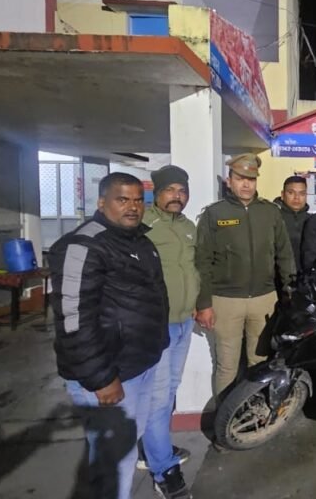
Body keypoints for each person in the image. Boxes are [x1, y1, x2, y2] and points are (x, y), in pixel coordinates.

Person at [48, 173, 168, 499]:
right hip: (110, 374)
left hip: (139, 365)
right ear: (101, 202)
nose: (133, 207)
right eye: (122, 199)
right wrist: (101, 378)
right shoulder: (82, 246)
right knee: (113, 462)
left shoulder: (137, 240)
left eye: (137, 200)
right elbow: (73, 320)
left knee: (124, 449)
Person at [194, 153, 296, 398]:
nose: (246, 184)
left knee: (260, 364)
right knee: (227, 366)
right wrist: (204, 303)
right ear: (229, 181)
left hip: (264, 299)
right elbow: (202, 261)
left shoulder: (270, 212)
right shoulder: (215, 214)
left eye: (251, 179)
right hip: (225, 301)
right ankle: (224, 417)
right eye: (240, 178)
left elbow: (284, 255)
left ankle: (254, 414)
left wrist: (290, 293)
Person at [137, 165, 196, 498]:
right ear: (156, 192)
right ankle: (164, 471)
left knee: (169, 391)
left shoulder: (188, 226)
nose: (177, 196)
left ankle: (154, 448)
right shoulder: (142, 225)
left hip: (184, 322)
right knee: (158, 398)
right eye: (171, 190)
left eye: (182, 190)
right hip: (157, 325)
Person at [274, 175, 310, 271]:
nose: (296, 198)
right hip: (278, 276)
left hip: (307, 276)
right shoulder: (273, 219)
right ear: (282, 194)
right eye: (291, 193)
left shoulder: (313, 221)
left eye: (302, 194)